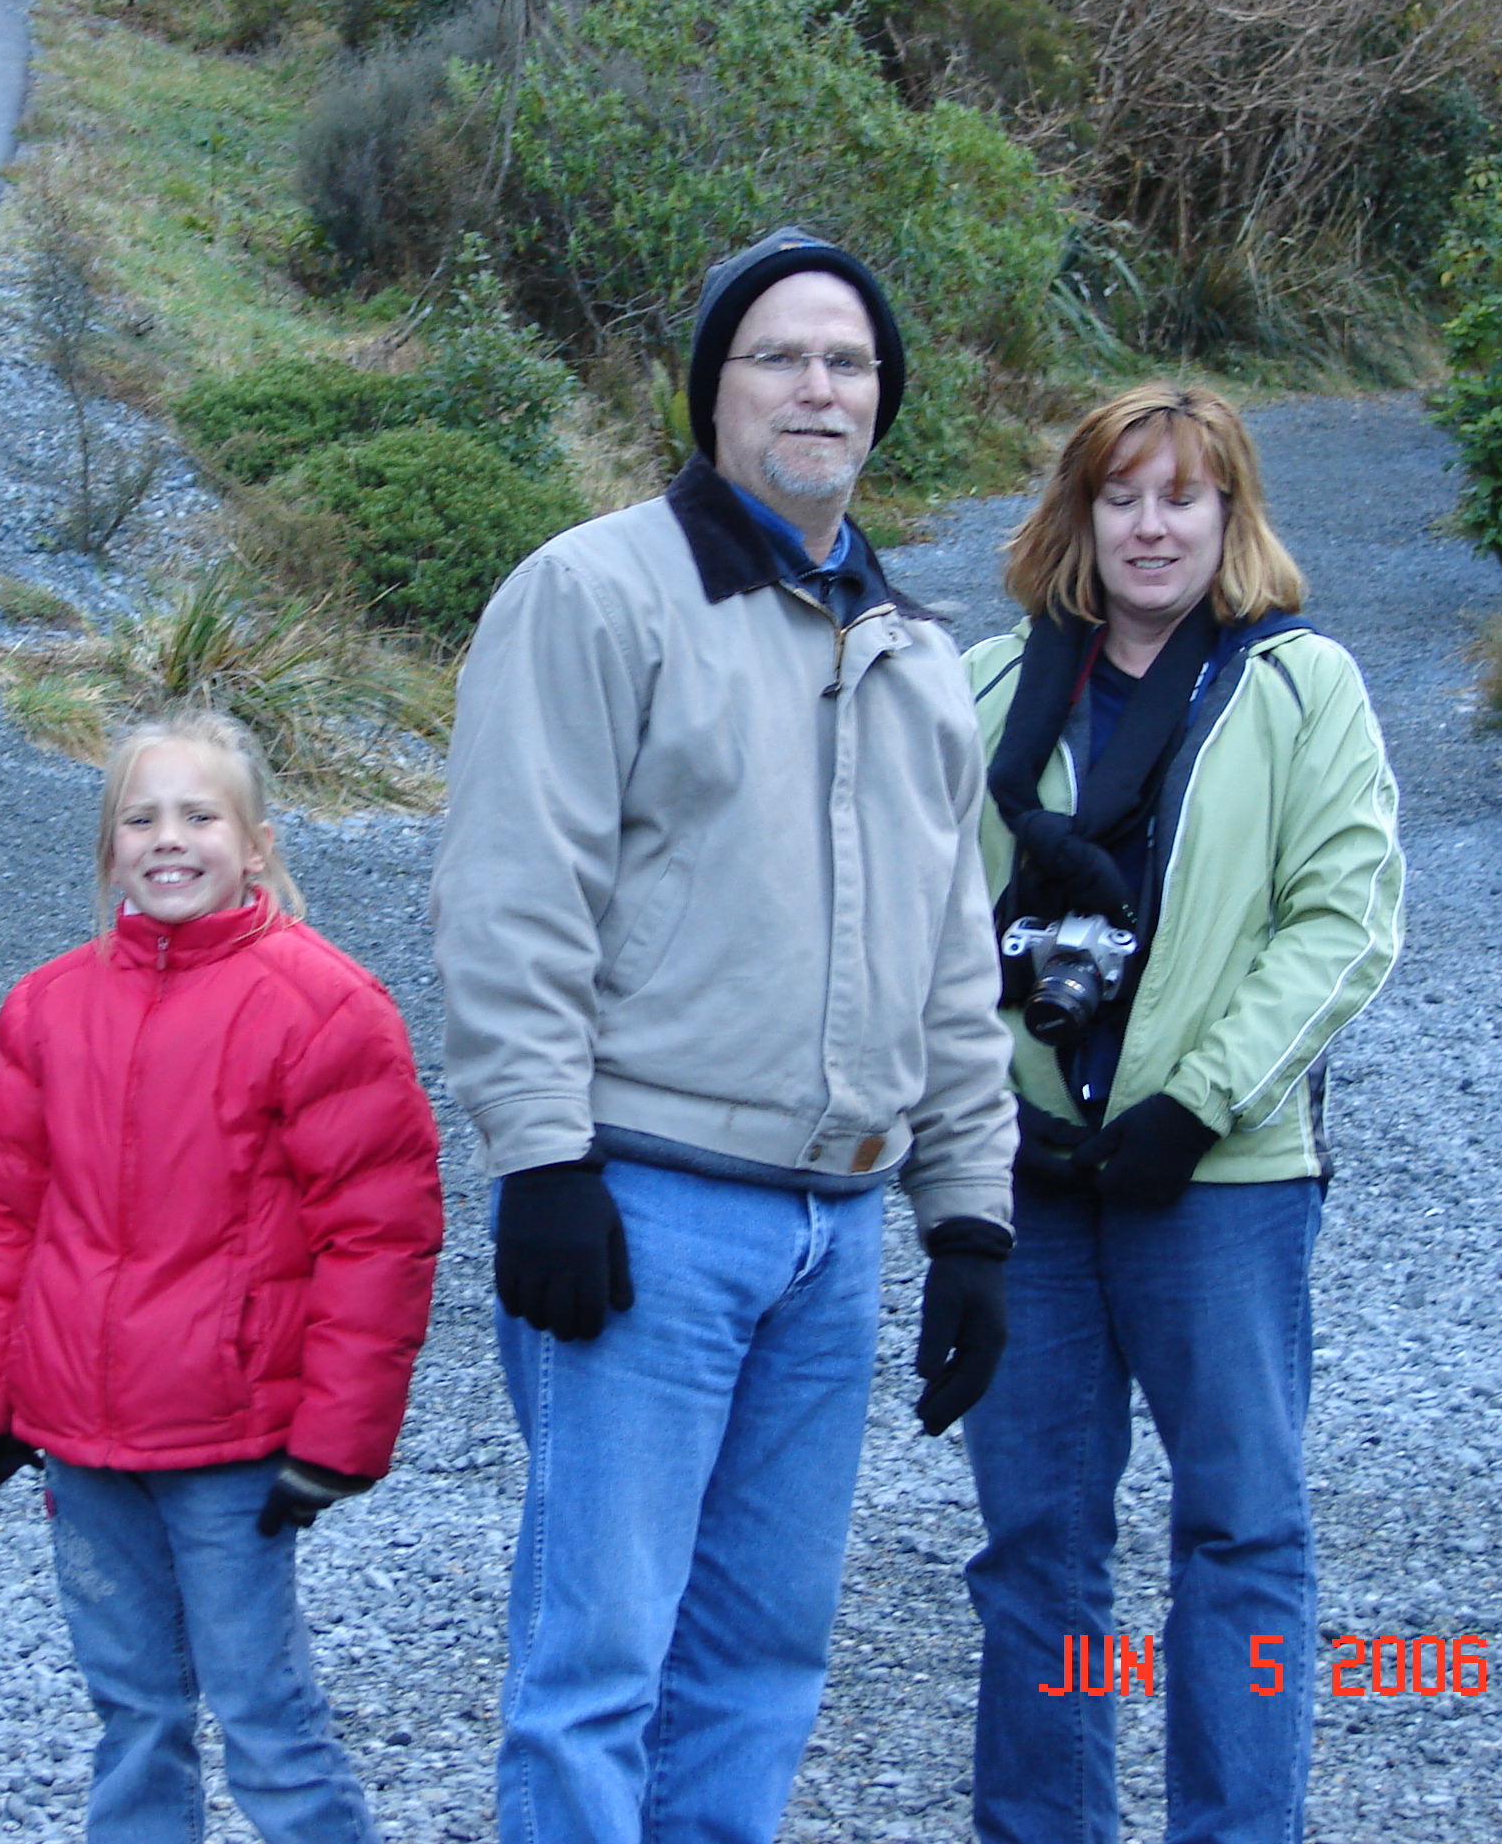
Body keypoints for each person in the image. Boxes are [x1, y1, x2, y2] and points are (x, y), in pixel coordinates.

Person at [429, 225, 1019, 1844]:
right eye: (779, 355)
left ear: (882, 397)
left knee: (760, 1662)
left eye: (847, 360)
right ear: (711, 390)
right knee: (595, 1665)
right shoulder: (595, 593)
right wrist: (542, 1159)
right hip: (642, 1213)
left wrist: (969, 1218)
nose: (817, 386)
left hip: (838, 1236)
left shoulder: (917, 657)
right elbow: (512, 897)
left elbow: (951, 962)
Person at [955, 383, 1404, 1844]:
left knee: (1241, 1535)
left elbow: (1343, 920)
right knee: (1035, 1547)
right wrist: (977, 1108)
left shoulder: (1302, 687)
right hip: (1026, 1182)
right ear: (1078, 515)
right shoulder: (979, 691)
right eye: (1122, 496)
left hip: (1222, 1183)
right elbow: (914, 925)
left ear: (1231, 514)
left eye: (1183, 497)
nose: (1152, 527)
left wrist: (1197, 1107)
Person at [0, 708, 444, 1844]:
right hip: (83, 1439)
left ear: (255, 845)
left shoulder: (324, 1007)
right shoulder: (46, 1009)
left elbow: (379, 1238)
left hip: (233, 1440)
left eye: (200, 816)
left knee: (264, 1711)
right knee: (133, 1709)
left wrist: (337, 1439)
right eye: (140, 818)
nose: (169, 838)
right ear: (109, 851)